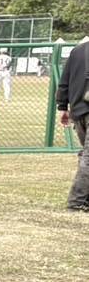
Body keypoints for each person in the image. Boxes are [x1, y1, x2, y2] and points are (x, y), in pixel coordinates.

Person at [55, 36, 89, 211]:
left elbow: (64, 81)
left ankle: (84, 200)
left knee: (86, 155)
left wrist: (62, 106)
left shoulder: (77, 51)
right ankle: (77, 202)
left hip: (78, 111)